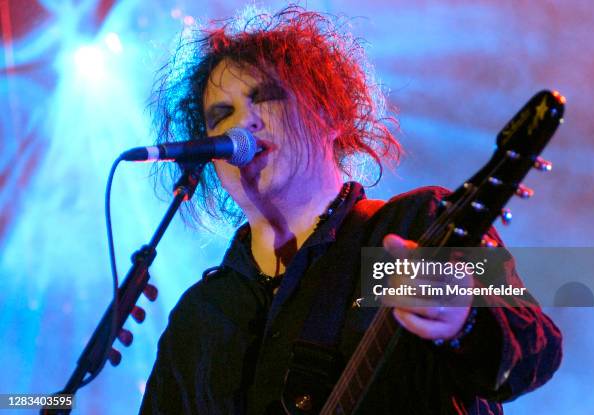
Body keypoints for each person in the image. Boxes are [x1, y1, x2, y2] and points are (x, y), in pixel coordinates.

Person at [140, 6, 562, 414]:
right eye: (221, 114)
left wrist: (466, 320)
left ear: (329, 111)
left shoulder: (415, 228)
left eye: (265, 97)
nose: (241, 124)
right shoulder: (201, 317)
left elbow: (537, 346)